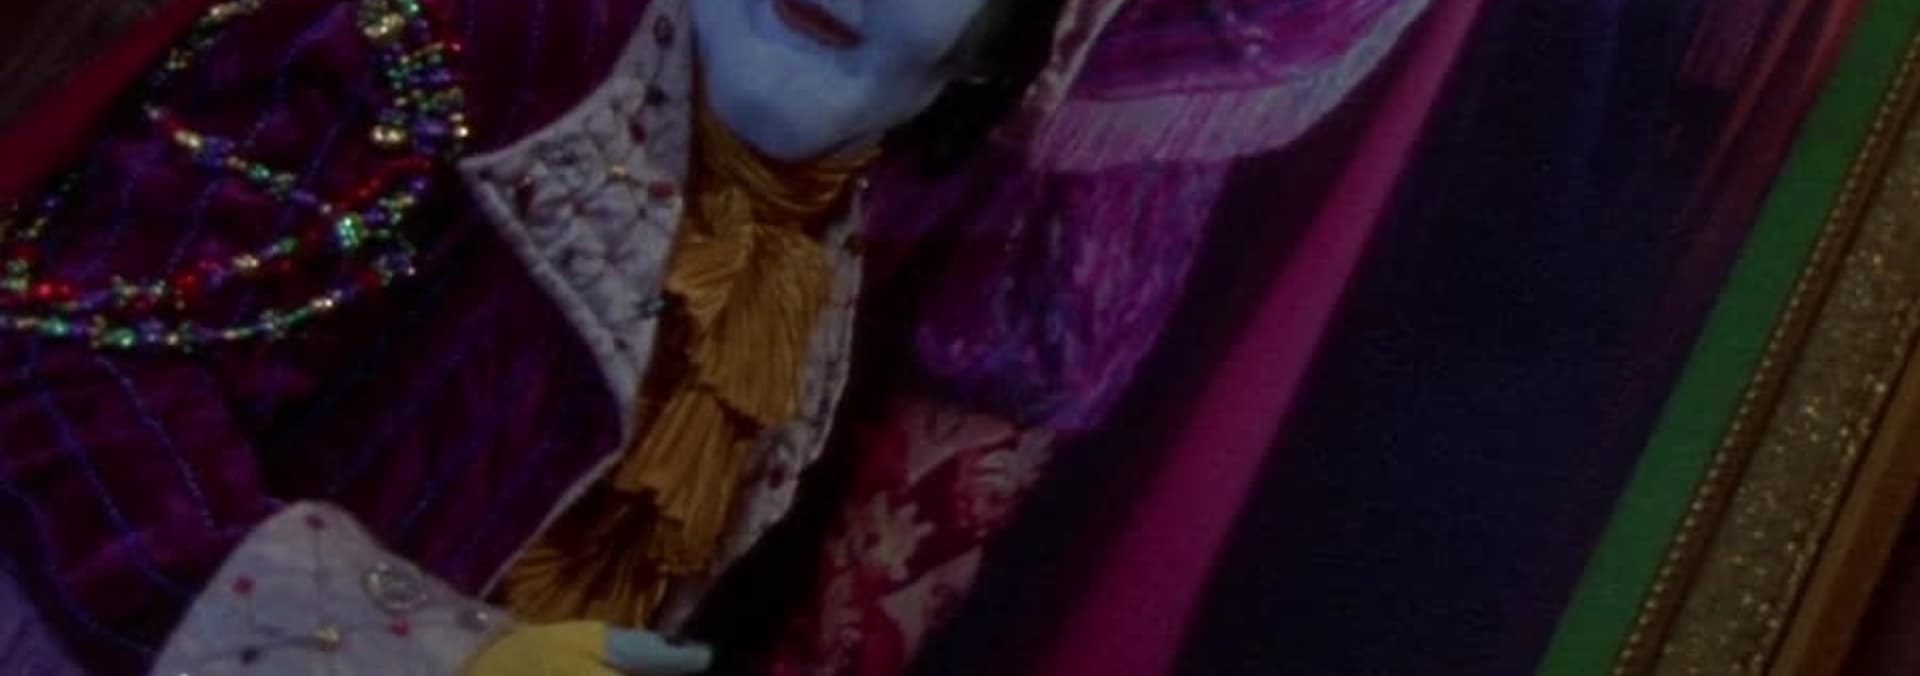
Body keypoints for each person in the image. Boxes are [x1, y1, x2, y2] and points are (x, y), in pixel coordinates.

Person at [0, 0, 1430, 673]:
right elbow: (55, 377)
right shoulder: (458, 41)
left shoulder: (817, 240)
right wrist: (410, 658)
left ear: (1004, 47)